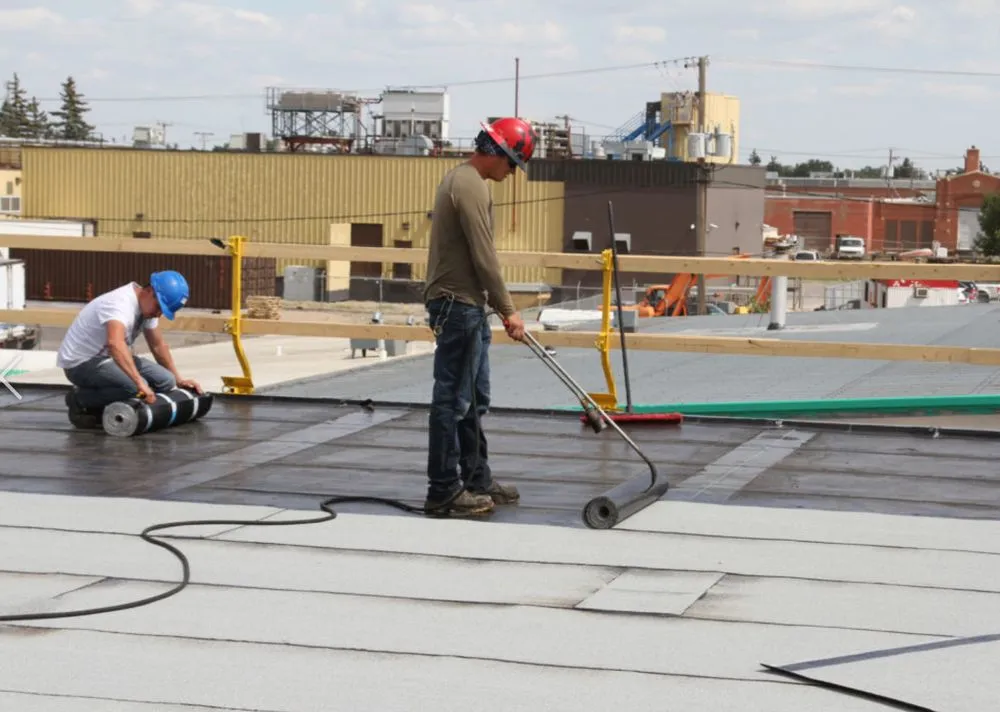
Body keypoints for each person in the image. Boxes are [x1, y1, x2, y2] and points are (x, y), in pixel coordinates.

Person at [422, 116, 537, 517]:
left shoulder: (469, 183)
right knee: (453, 399)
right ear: (499, 153)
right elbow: (484, 255)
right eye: (512, 164)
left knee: (473, 398)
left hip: (468, 304)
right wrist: (509, 309)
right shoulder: (468, 187)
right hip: (457, 305)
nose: (512, 173)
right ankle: (443, 491)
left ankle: (476, 479)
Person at [57, 270, 203, 428]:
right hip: (82, 363)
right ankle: (80, 399)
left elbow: (157, 345)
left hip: (110, 358)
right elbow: (115, 343)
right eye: (159, 307)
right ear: (149, 291)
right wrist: (140, 383)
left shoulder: (147, 309)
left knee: (166, 381)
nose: (158, 314)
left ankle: (117, 402)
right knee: (134, 387)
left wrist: (179, 380)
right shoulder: (120, 304)